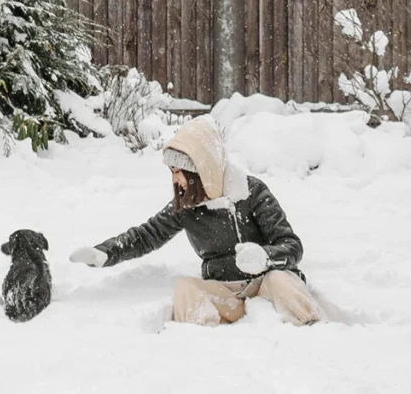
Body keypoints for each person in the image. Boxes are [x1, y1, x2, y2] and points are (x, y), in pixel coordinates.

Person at [69, 115, 323, 326]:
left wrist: (265, 257)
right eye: (172, 172)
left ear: (202, 170)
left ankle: (311, 331)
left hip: (268, 286)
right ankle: (199, 345)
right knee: (185, 288)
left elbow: (292, 246)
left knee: (281, 280)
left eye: (180, 173)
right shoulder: (187, 205)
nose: (176, 181)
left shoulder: (251, 192)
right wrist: (104, 253)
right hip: (226, 292)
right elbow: (145, 236)